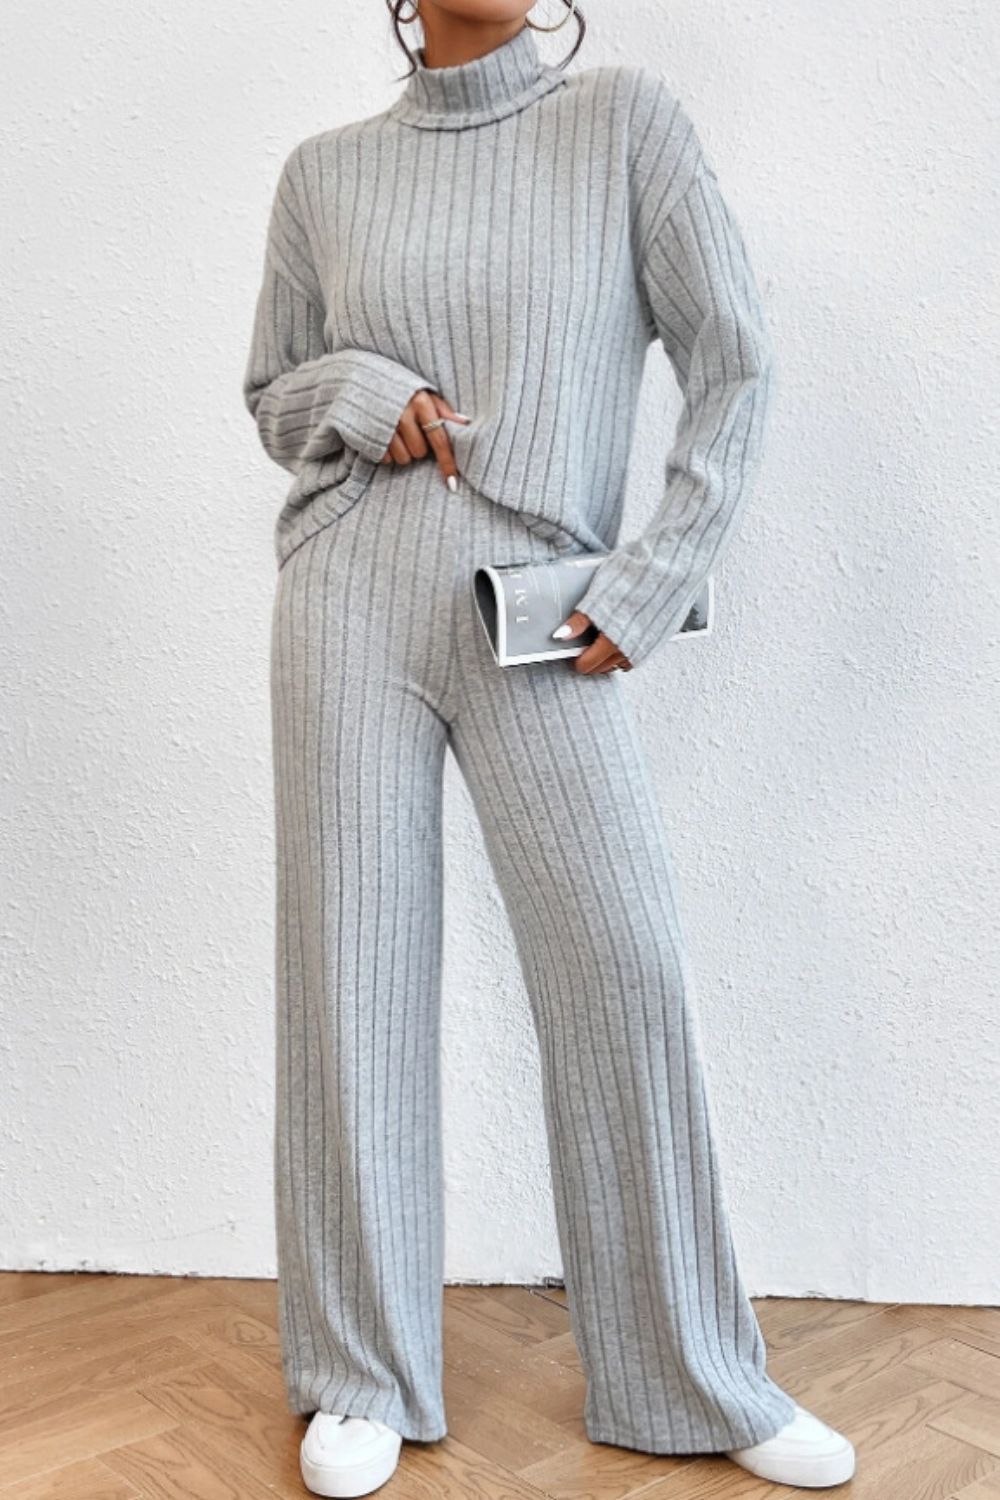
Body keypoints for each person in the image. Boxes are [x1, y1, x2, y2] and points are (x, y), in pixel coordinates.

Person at [242, 3, 856, 1495]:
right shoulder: (326, 170)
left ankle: (692, 1372)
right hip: (347, 594)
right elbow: (271, 397)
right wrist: (361, 392)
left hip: (544, 609)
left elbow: (736, 360)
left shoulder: (625, 124)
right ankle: (361, 1372)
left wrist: (654, 578)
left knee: (618, 965)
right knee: (352, 978)